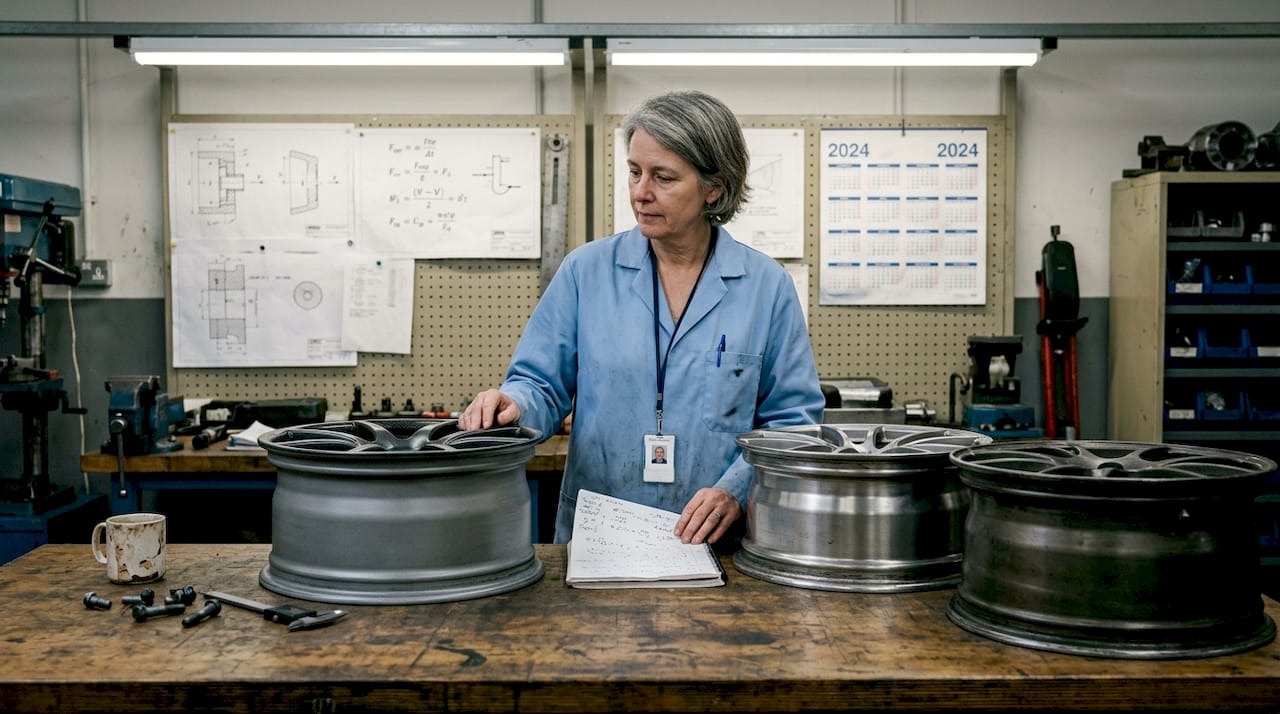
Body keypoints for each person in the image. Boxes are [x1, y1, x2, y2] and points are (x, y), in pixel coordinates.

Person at [459, 89, 823, 547]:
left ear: (714, 186)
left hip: (717, 543)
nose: (640, 193)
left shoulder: (766, 288)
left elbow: (792, 422)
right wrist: (515, 405)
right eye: (634, 172)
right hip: (601, 535)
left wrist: (737, 490)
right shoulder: (585, 273)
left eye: (663, 177)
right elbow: (540, 385)